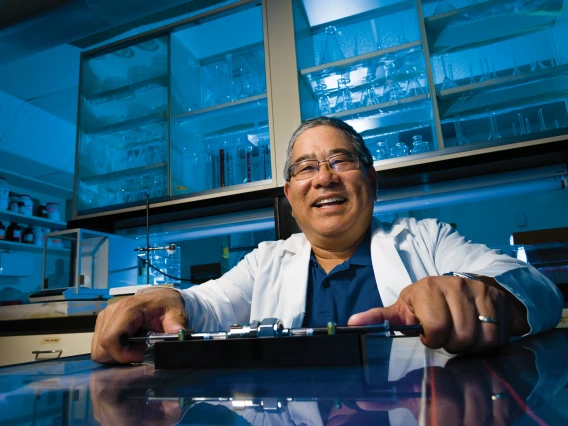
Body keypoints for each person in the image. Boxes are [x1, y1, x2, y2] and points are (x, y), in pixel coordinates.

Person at [91, 117, 564, 364]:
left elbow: (534, 286)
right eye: (306, 168)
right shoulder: (266, 261)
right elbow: (206, 304)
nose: (324, 178)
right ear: (290, 199)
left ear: (372, 181)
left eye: (342, 161)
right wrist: (165, 297)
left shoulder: (426, 240)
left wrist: (481, 294)